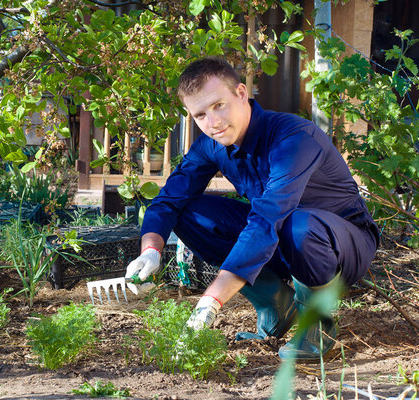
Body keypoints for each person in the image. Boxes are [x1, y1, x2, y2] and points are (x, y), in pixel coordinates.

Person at [125, 57, 379, 361]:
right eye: (200, 115)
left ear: (241, 93)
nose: (213, 122)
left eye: (219, 105)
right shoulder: (211, 145)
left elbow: (269, 217)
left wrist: (211, 301)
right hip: (282, 238)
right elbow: (169, 199)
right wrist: (150, 249)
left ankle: (316, 327)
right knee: (189, 212)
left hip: (340, 246)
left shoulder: (293, 137)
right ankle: (276, 307)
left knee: (298, 224)